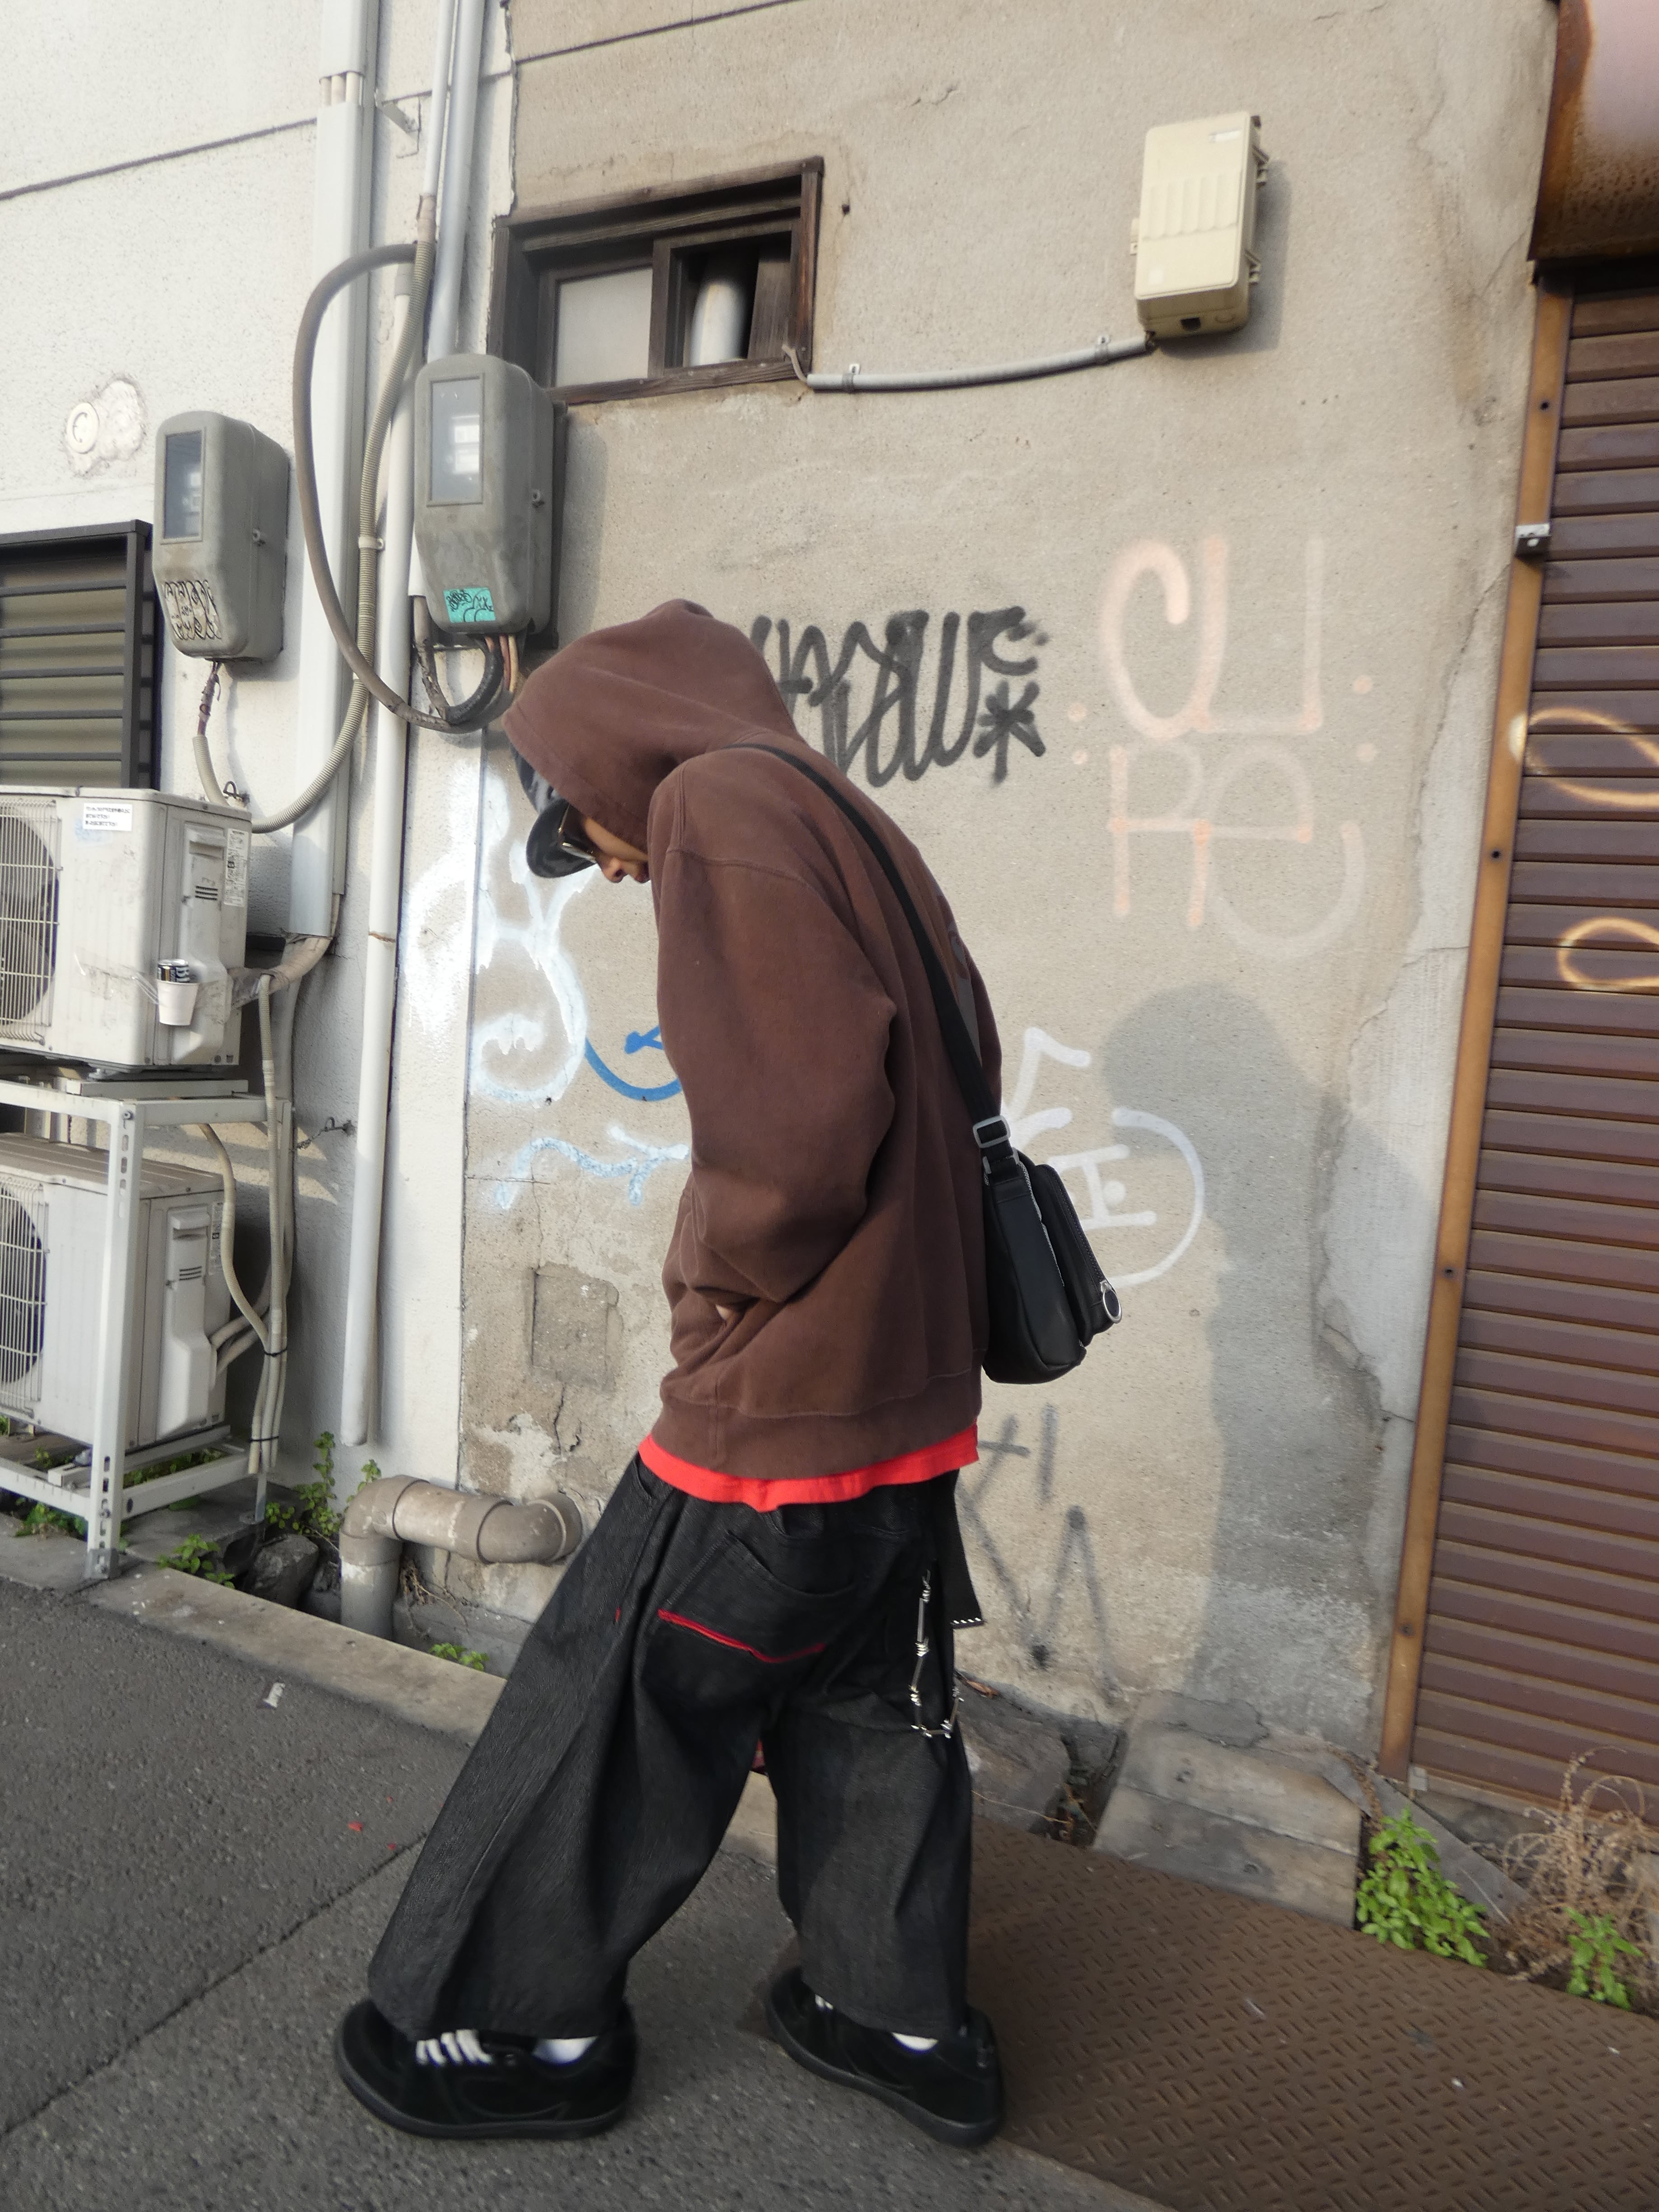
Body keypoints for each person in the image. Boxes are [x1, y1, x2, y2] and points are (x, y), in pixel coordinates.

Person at [333, 599, 1005, 2149]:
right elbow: (955, 1046)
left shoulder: (718, 805)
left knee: (617, 1702)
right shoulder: (850, 818)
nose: (605, 863)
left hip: (786, 1400)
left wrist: (714, 1287)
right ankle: (897, 2018)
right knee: (867, 1705)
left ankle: (532, 2029)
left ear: (614, 758)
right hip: (906, 1400)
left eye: (580, 824)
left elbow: (795, 1142)